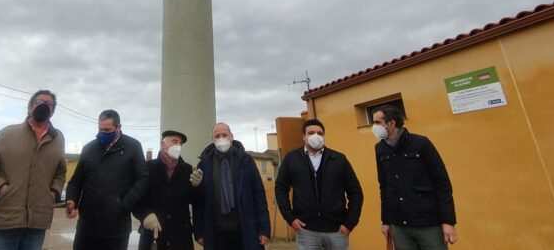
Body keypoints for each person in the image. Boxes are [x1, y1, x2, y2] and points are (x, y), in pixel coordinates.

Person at [0, 90, 67, 250]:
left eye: (49, 104)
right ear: (30, 106)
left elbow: (60, 172)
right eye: (39, 102)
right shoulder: (8, 134)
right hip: (5, 220)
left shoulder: (58, 138)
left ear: (53, 111)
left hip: (37, 223)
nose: (44, 106)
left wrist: (53, 193)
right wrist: (0, 189)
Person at [372, 105, 458, 250]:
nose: (374, 127)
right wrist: (385, 221)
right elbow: (384, 187)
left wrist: (448, 221)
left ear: (391, 123)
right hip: (399, 226)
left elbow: (442, 183)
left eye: (377, 122)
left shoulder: (421, 143)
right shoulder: (380, 149)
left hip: (428, 224)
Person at [66, 109, 148, 250]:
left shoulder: (133, 147)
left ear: (118, 127)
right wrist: (71, 199)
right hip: (87, 226)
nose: (103, 133)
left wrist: (125, 203)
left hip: (116, 226)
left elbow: (143, 179)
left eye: (107, 130)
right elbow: (76, 180)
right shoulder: (89, 149)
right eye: (100, 129)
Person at [275, 119, 363, 250]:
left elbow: (355, 192)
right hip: (306, 230)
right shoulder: (291, 159)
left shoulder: (339, 159)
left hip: (337, 230)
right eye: (311, 133)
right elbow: (281, 188)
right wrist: (290, 218)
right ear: (304, 136)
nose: (316, 136)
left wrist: (349, 223)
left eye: (320, 133)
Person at [194, 122, 271, 250]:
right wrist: (199, 231)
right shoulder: (204, 164)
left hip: (245, 230)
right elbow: (199, 203)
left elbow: (258, 195)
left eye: (224, 135)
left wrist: (264, 229)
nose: (221, 138)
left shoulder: (246, 161)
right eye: (217, 136)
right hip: (216, 234)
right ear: (213, 140)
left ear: (231, 137)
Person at [135, 130, 204, 250]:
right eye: (174, 141)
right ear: (162, 144)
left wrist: (197, 187)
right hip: (153, 236)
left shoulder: (188, 170)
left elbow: (196, 202)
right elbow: (136, 200)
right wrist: (144, 215)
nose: (178, 146)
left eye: (180, 144)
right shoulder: (147, 168)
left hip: (181, 238)